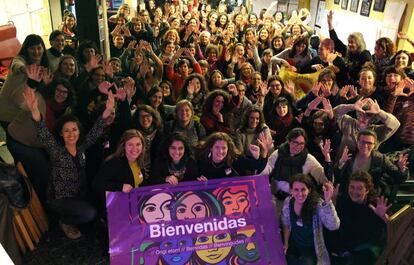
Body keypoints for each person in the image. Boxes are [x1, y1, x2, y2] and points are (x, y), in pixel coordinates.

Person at [23, 86, 115, 240]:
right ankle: (64, 221)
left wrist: (108, 110)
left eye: (74, 130)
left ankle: (79, 213)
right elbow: (42, 131)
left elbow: (96, 130)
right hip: (60, 199)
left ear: (79, 131)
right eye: (67, 130)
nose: (71, 134)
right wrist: (34, 109)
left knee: (100, 206)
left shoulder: (81, 147)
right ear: (61, 133)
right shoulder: (56, 150)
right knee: (89, 214)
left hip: (80, 194)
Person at [329, 171, 389, 265]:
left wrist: (382, 217)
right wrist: (332, 201)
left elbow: (391, 227)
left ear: (367, 190)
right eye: (352, 187)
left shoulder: (376, 205)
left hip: (367, 247)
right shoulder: (343, 201)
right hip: (347, 246)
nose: (354, 191)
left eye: (359, 188)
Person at [282, 174, 339, 265]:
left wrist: (328, 201)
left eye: (303, 189)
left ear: (309, 190)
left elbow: (334, 226)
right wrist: (286, 243)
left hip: (311, 249)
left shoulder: (318, 204)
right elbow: (286, 223)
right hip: (294, 246)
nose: (300, 194)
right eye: (296, 190)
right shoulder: (288, 202)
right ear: (291, 190)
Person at [335, 130, 408, 200]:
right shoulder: (349, 155)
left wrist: (402, 169)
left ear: (374, 145)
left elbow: (397, 177)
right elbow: (336, 175)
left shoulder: (380, 158)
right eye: (362, 142)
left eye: (369, 143)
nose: (365, 145)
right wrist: (341, 162)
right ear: (357, 142)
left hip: (370, 197)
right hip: (349, 194)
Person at [260, 128, 330, 200]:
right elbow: (263, 173)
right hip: (276, 197)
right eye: (295, 142)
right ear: (289, 141)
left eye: (301, 143)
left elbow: (324, 178)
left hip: (296, 200)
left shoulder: (308, 159)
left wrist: (327, 158)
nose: (298, 146)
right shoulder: (277, 154)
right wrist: (264, 154)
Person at [93, 129, 147, 217]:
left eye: (138, 144)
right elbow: (97, 184)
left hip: (134, 205)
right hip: (116, 210)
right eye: (130, 144)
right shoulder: (114, 162)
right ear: (123, 146)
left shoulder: (139, 161)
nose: (135, 148)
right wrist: (120, 187)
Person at [0, 34, 49, 129]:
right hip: (8, 112)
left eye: (39, 48)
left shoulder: (43, 66)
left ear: (43, 49)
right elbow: (16, 65)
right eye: (32, 48)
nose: (36, 52)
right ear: (26, 49)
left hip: (24, 109)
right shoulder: (20, 59)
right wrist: (25, 69)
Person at [197, 132, 268, 180]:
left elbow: (256, 167)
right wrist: (200, 183)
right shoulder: (202, 160)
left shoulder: (234, 159)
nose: (220, 151)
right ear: (211, 148)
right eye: (217, 147)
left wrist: (262, 153)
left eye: (224, 148)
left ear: (228, 149)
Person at [327, 11, 372, 86]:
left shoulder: (365, 55)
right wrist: (330, 23)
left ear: (359, 43)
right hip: (345, 83)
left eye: (352, 42)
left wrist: (340, 70)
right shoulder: (348, 51)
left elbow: (356, 73)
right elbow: (335, 41)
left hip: (357, 86)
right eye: (349, 42)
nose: (350, 44)